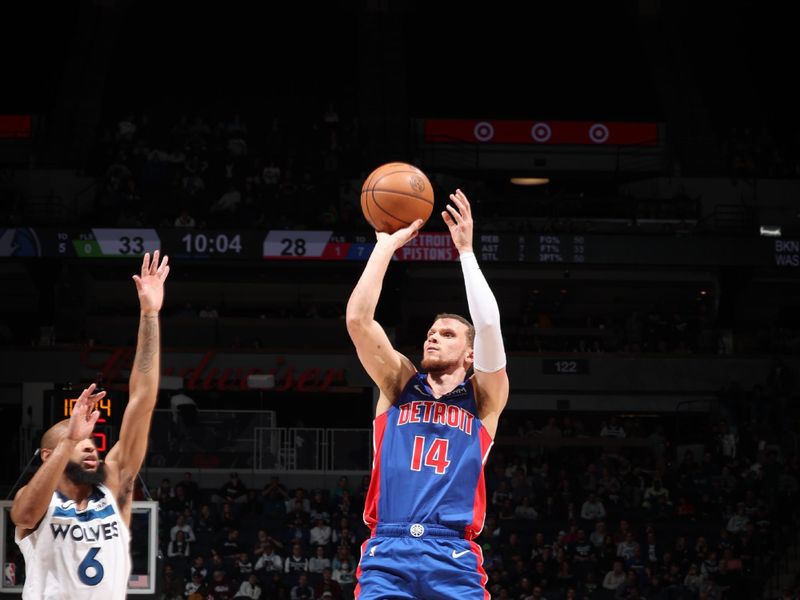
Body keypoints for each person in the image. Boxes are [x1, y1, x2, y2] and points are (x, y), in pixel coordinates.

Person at [346, 189, 509, 598]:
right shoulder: (400, 383)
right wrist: (384, 248)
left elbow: (489, 327)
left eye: (448, 334)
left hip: (453, 553)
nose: (434, 337)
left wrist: (466, 253)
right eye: (431, 332)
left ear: (470, 354)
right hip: (388, 548)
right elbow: (357, 320)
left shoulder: (484, 399)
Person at [10, 251, 170, 599]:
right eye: (81, 444)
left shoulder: (113, 486)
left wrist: (149, 314)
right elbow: (23, 514)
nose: (92, 449)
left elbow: (142, 399)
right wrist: (71, 438)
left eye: (92, 445)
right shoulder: (38, 502)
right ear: (49, 452)